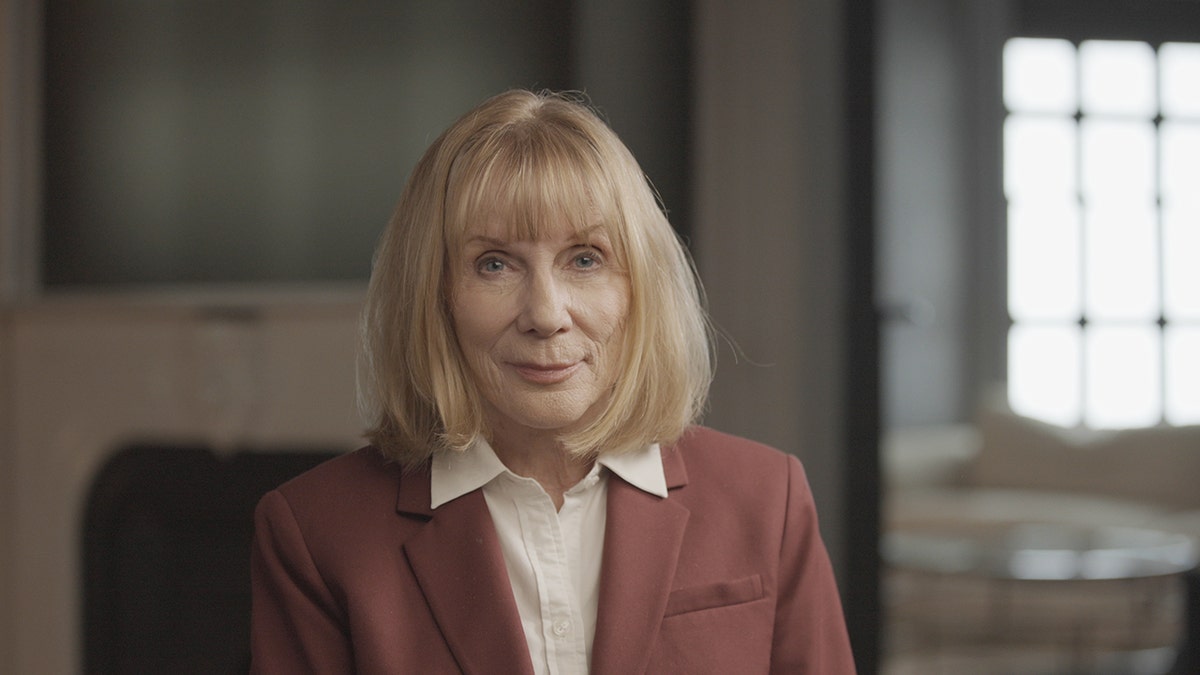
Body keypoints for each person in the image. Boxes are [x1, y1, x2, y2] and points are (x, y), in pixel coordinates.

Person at [250, 89, 855, 674]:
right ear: (433, 297)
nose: (545, 314)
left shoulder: (766, 500)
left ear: (638, 285)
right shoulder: (313, 531)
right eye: (494, 264)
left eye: (586, 258)